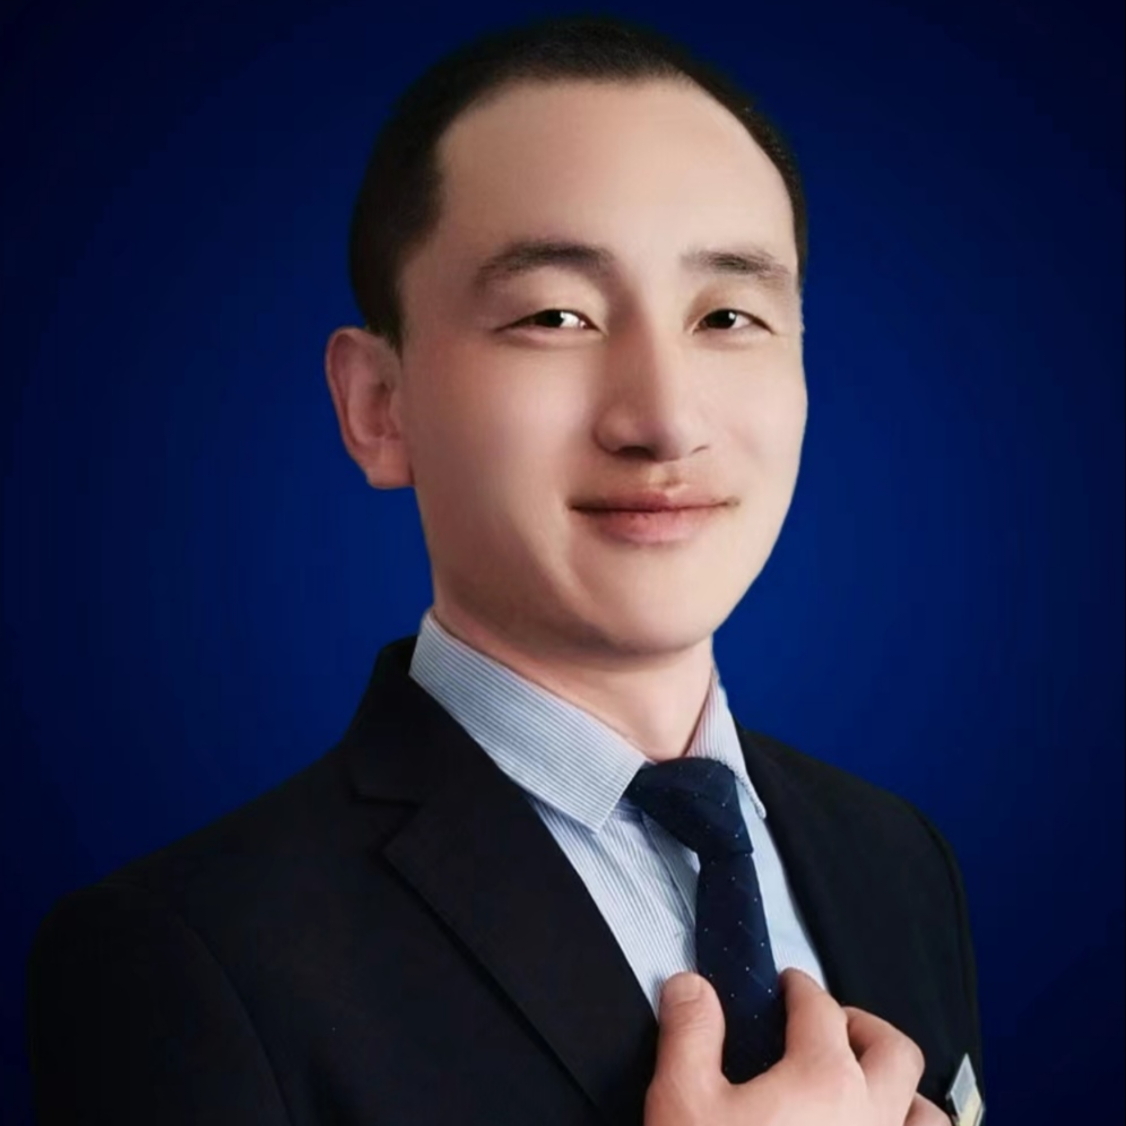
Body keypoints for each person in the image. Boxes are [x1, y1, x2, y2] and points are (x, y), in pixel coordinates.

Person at [26, 14, 983, 1126]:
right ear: (379, 405)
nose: (664, 419)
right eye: (555, 316)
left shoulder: (897, 857)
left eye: (728, 314)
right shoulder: (186, 961)